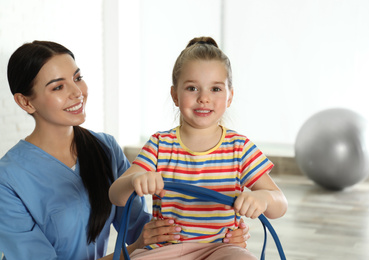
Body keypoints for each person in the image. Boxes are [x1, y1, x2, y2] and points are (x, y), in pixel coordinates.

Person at [0, 41, 249, 260]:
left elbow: (142, 228)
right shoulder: (8, 179)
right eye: (58, 87)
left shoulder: (105, 148)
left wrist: (220, 237)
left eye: (77, 78)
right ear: (25, 101)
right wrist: (135, 249)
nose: (77, 93)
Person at [109, 36, 288, 259]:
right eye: (192, 88)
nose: (204, 98)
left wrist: (264, 199)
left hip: (221, 248)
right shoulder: (159, 145)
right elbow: (116, 195)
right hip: (166, 250)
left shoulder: (239, 148)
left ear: (230, 96)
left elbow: (280, 204)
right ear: (175, 95)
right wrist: (134, 181)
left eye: (215, 89)